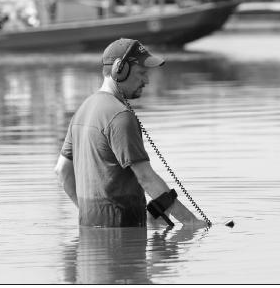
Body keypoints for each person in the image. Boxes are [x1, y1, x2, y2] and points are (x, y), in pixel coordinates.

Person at [55, 38, 209, 228]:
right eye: (142, 73)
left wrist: (90, 216)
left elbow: (62, 171)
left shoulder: (83, 109)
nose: (147, 80)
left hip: (90, 238)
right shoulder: (120, 116)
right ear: (120, 69)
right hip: (122, 236)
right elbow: (146, 177)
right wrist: (191, 222)